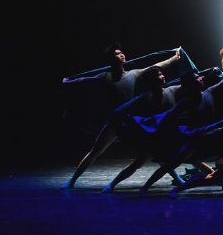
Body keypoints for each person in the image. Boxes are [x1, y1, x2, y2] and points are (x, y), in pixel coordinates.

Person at [60, 45, 182, 189]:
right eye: (117, 54)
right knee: (96, 150)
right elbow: (85, 80)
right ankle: (72, 181)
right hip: (116, 121)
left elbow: (155, 66)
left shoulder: (133, 74)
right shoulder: (105, 77)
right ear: (111, 59)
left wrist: (174, 58)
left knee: (154, 149)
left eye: (122, 53)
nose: (122, 55)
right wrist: (69, 82)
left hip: (131, 121)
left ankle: (178, 179)